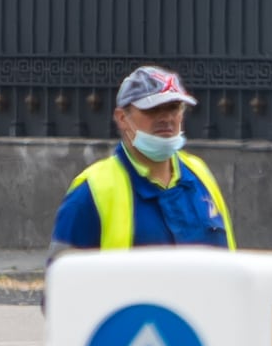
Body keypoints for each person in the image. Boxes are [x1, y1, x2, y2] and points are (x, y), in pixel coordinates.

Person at [51, 65, 233, 250]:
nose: (167, 118)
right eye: (153, 109)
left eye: (174, 107)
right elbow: (63, 273)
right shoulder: (92, 192)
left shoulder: (199, 174)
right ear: (122, 118)